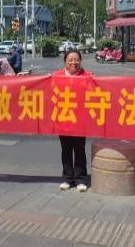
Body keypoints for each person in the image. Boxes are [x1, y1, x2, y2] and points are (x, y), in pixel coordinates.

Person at [54, 48, 92, 193]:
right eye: (70, 60)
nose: (73, 63)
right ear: (65, 61)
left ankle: (81, 179)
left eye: (76, 60)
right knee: (66, 149)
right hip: (63, 118)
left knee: (79, 149)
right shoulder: (56, 76)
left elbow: (94, 92)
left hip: (80, 120)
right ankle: (67, 178)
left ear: (80, 61)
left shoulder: (87, 76)